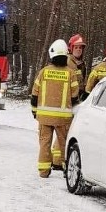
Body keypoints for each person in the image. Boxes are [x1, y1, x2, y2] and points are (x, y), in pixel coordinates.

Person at [31, 39, 81, 178]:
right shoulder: (70, 73)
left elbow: (35, 93)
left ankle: (43, 171)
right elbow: (75, 94)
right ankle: (66, 169)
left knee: (44, 143)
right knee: (64, 143)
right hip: (63, 118)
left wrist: (34, 110)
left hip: (44, 116)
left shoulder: (43, 72)